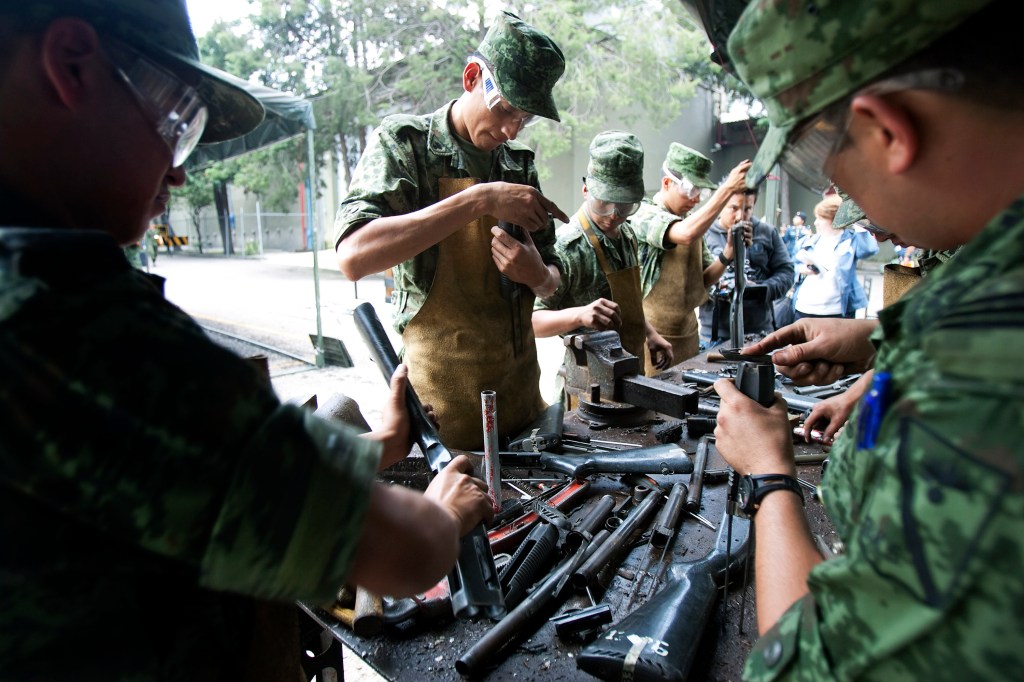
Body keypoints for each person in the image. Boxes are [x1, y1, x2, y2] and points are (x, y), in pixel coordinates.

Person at [0, 1, 494, 678]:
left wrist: (383, 447)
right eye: (177, 122)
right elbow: (401, 555)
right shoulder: (64, 321)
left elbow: (157, 477)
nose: (177, 173)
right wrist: (446, 515)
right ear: (72, 65)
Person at [712, 0, 1024, 678]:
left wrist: (768, 473)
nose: (836, 189)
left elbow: (805, 668)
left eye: (826, 162)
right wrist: (882, 344)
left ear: (887, 129)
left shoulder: (978, 375)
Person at [334, 10, 569, 450]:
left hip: (524, 410)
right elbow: (353, 255)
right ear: (472, 76)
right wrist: (479, 200)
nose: (511, 129)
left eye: (525, 118)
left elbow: (555, 279)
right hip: (444, 422)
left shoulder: (519, 165)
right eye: (505, 110)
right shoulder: (406, 147)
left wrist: (536, 274)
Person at [532, 131, 672, 401]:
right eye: (604, 203)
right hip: (588, 392)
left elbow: (628, 305)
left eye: (623, 206)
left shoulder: (627, 235)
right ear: (586, 190)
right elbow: (533, 321)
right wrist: (580, 315)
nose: (613, 214)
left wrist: (650, 333)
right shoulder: (567, 248)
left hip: (632, 376)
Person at [630, 143, 752, 373]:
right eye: (691, 190)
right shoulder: (644, 214)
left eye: (701, 192)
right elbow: (684, 234)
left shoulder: (692, 223)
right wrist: (726, 190)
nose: (696, 200)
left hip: (688, 334)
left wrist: (728, 254)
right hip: (652, 335)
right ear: (667, 183)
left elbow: (704, 279)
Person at [698, 186, 794, 347]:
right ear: (721, 205)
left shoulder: (767, 232)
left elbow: (787, 272)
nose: (740, 217)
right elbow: (695, 282)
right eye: (733, 208)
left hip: (759, 330)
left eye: (747, 209)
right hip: (714, 334)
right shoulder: (704, 234)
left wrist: (763, 290)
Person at [791, 193, 878, 319]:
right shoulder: (807, 241)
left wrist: (857, 220)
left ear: (833, 218)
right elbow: (792, 264)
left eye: (820, 218)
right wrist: (801, 269)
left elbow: (869, 249)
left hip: (837, 310)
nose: (816, 223)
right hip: (805, 306)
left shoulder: (851, 240)